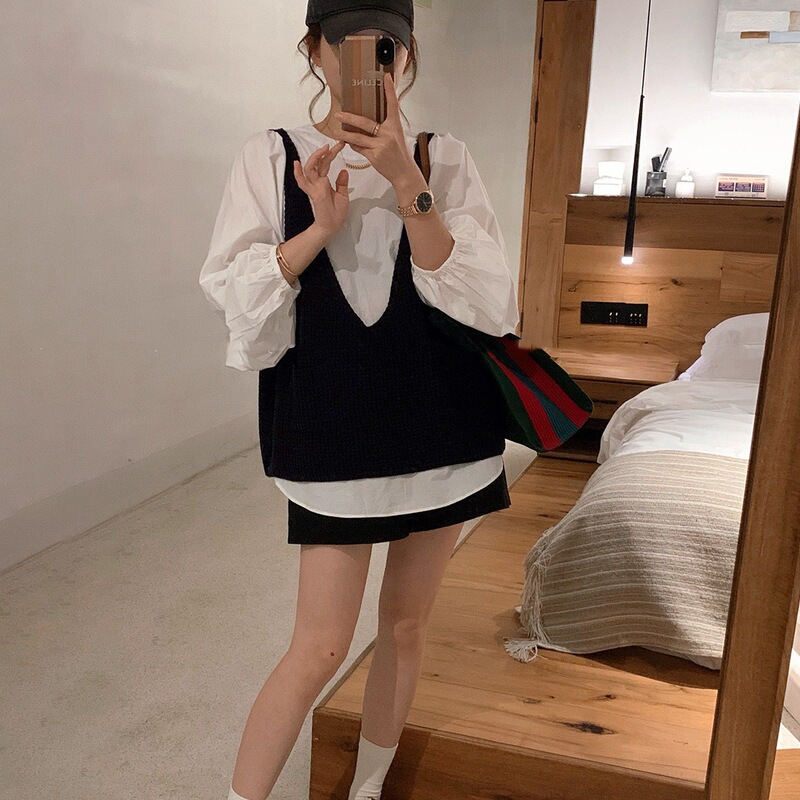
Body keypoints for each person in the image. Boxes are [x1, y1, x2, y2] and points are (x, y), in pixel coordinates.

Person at [198, 2, 519, 798]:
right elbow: (239, 301)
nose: (372, 62)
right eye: (348, 45)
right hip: (329, 429)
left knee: (405, 627)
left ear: (406, 58)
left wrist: (408, 179)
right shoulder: (272, 157)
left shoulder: (442, 157)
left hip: (443, 427)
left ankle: (368, 790)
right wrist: (318, 227)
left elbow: (485, 302)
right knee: (318, 647)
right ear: (315, 51)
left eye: (389, 46)